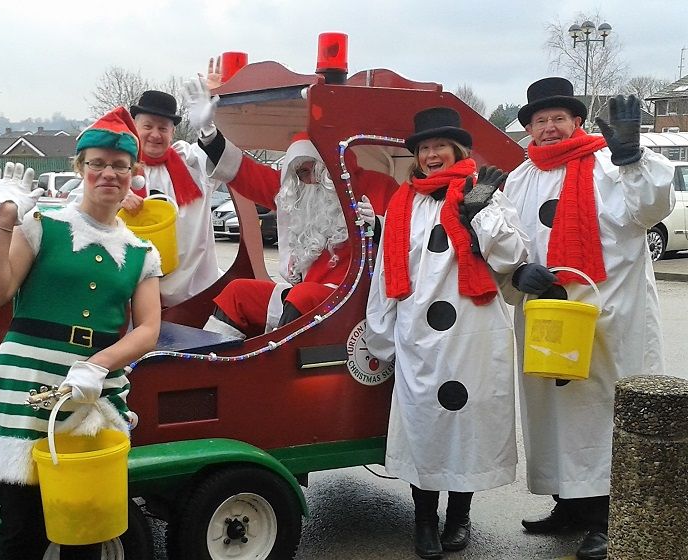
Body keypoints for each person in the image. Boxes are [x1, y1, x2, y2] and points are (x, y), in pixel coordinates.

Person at [0, 107, 162, 560]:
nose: (108, 173)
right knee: (22, 531)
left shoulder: (141, 252)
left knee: (87, 528)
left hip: (92, 394)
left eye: (119, 165)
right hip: (24, 385)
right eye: (97, 163)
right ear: (79, 168)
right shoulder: (41, 225)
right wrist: (5, 218)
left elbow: (149, 328)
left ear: (133, 173)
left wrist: (98, 364)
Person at [502, 77, 675, 560]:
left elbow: (651, 208)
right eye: (541, 120)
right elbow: (506, 239)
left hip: (608, 315)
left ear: (576, 121)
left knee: (602, 411)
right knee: (552, 410)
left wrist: (632, 156)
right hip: (548, 314)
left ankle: (606, 517)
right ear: (530, 129)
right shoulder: (521, 177)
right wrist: (518, 271)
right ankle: (569, 505)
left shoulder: (607, 162)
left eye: (559, 118)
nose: (550, 127)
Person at [364, 107, 529, 559]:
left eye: (439, 146)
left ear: (458, 149)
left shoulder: (487, 193)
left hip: (476, 332)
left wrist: (481, 216)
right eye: (424, 148)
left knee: (467, 423)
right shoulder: (404, 203)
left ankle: (458, 517)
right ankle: (423, 519)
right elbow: (385, 272)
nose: (432, 154)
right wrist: (381, 334)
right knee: (426, 426)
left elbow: (514, 255)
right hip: (421, 334)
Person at [181, 77, 399, 337]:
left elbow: (404, 239)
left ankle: (273, 366)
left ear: (328, 165)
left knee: (303, 295)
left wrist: (378, 226)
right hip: (309, 296)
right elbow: (245, 173)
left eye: (310, 170)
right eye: (300, 174)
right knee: (238, 293)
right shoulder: (301, 194)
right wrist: (209, 135)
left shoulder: (379, 186)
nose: (306, 179)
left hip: (355, 299)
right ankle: (212, 361)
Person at [73, 90, 224, 307]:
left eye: (163, 128)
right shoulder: (113, 170)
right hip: (129, 296)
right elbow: (78, 216)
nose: (155, 134)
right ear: (134, 127)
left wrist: (208, 129)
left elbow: (224, 160)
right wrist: (112, 202)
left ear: (173, 132)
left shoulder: (192, 164)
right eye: (148, 126)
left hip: (194, 294)